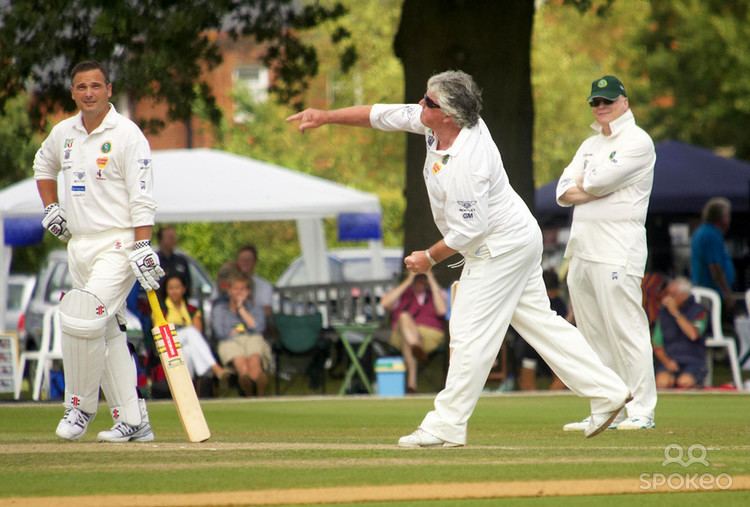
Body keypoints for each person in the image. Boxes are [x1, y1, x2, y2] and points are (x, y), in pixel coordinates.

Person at [287, 70, 631, 446]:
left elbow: (470, 231)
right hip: (514, 237)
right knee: (540, 324)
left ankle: (446, 424)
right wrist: (325, 116)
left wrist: (428, 258)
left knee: (468, 333)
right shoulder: (434, 121)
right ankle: (607, 391)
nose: (420, 104)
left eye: (429, 102)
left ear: (449, 115)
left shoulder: (470, 160)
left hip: (500, 246)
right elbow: (381, 115)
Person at [33, 60, 162, 442]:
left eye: (95, 86)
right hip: (79, 244)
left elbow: (143, 196)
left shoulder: (127, 134)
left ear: (108, 89)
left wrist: (142, 244)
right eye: (81, 87)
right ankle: (133, 420)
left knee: (83, 314)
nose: (88, 92)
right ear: (73, 92)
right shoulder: (64, 133)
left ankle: (80, 406)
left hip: (118, 243)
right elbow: (43, 164)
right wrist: (51, 207)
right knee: (106, 330)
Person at [556, 75, 657, 431]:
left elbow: (594, 183)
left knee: (625, 330)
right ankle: (606, 406)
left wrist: (590, 184)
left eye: (608, 101)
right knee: (593, 334)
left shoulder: (638, 141)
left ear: (624, 102)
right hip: (582, 248)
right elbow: (563, 189)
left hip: (618, 250)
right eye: (596, 102)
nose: (601, 107)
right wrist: (591, 186)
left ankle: (641, 409)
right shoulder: (588, 145)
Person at [380, 271, 447, 393]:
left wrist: (431, 278)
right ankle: (416, 344)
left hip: (429, 336)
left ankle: (412, 383)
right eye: (418, 278)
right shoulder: (402, 293)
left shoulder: (435, 292)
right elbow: (385, 304)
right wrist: (408, 280)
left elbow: (442, 310)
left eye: (423, 278)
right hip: (401, 334)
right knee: (404, 316)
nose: (421, 281)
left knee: (408, 340)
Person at [211, 272, 272, 396]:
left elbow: (258, 328)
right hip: (230, 340)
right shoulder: (220, 309)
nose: (239, 292)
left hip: (252, 338)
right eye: (236, 289)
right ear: (229, 290)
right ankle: (247, 387)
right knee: (240, 361)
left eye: (242, 289)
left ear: (248, 291)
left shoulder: (255, 307)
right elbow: (220, 333)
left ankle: (258, 389)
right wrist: (238, 330)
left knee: (254, 358)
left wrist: (241, 309)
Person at [161, 273, 229, 382]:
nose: (174, 291)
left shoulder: (191, 309)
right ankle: (215, 368)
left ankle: (188, 387)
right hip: (167, 343)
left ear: (183, 289)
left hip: (185, 344)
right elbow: (160, 333)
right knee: (190, 332)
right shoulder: (161, 310)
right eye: (171, 288)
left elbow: (198, 333)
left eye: (177, 288)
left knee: (187, 351)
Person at [653, 277, 709, 389]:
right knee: (662, 382)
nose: (667, 298)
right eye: (667, 294)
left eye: (672, 295)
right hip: (670, 360)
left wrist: (675, 313)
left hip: (693, 360)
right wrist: (667, 362)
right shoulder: (663, 313)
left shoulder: (699, 311)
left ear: (683, 295)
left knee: (684, 382)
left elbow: (693, 334)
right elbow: (657, 344)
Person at [691, 197, 736, 315]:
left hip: (707, 290)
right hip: (712, 293)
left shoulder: (702, 231)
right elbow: (715, 267)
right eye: (727, 215)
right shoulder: (711, 235)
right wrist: (727, 293)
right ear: (720, 217)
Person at [156, 225, 192, 297]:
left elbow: (188, 285)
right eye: (170, 237)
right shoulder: (154, 261)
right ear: (161, 240)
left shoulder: (181, 261)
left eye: (174, 237)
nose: (173, 240)